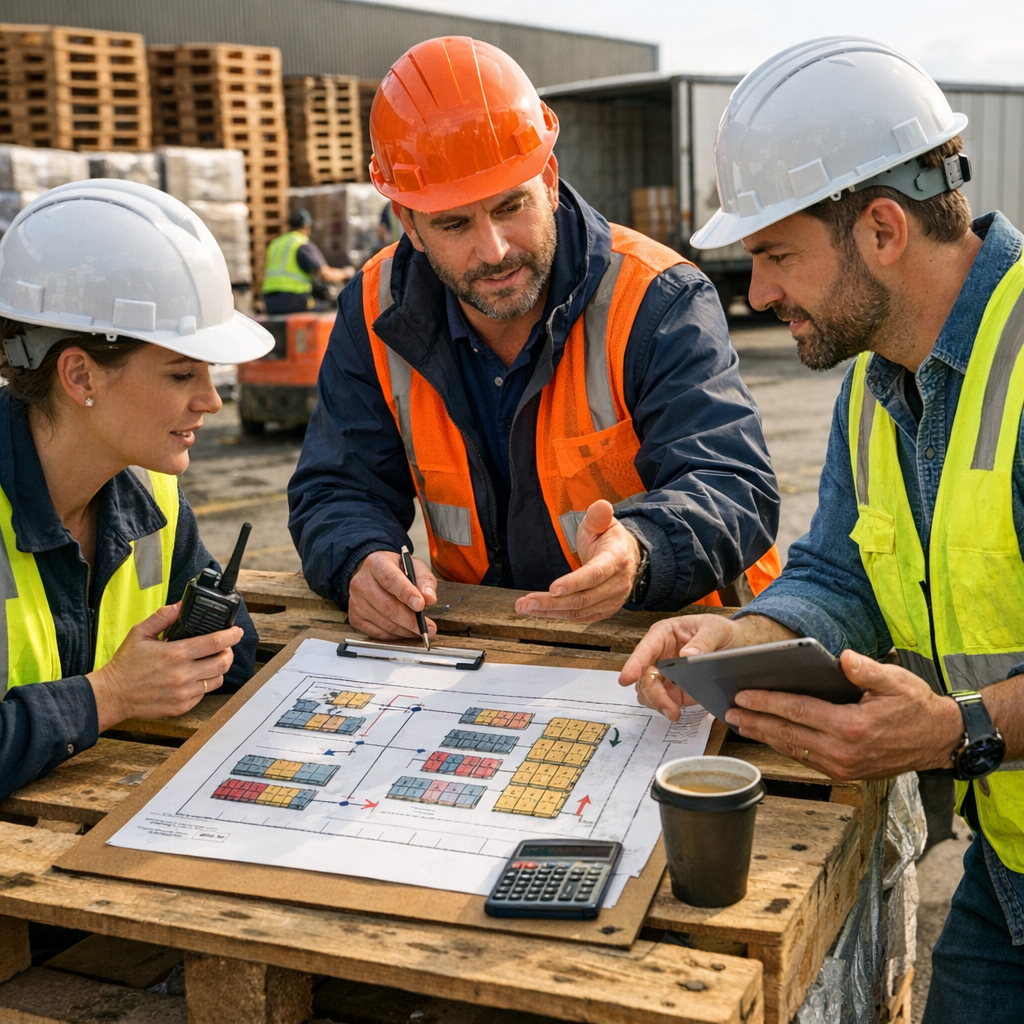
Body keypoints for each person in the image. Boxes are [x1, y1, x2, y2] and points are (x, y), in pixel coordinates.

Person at [620, 37, 1024, 1018]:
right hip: (1007, 864)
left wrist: (953, 731)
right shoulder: (874, 387)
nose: (757, 293)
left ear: (881, 228)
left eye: (775, 254)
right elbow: (838, 574)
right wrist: (741, 637)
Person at [288, 36, 782, 643]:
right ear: (408, 223)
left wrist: (642, 549)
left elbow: (732, 483)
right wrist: (359, 561)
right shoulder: (373, 309)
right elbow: (336, 487)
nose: (493, 250)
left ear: (547, 179)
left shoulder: (656, 300)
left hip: (671, 641)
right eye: (454, 224)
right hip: (486, 646)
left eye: (509, 206)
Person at [0, 179, 273, 801]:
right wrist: (110, 696)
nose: (211, 401)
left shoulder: (152, 497)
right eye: (181, 374)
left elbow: (233, 651)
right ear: (80, 375)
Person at [262, 208, 355, 315]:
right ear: (307, 226)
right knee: (330, 308)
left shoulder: (275, 244)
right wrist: (346, 273)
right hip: (294, 299)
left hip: (270, 302)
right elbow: (325, 274)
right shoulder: (302, 244)